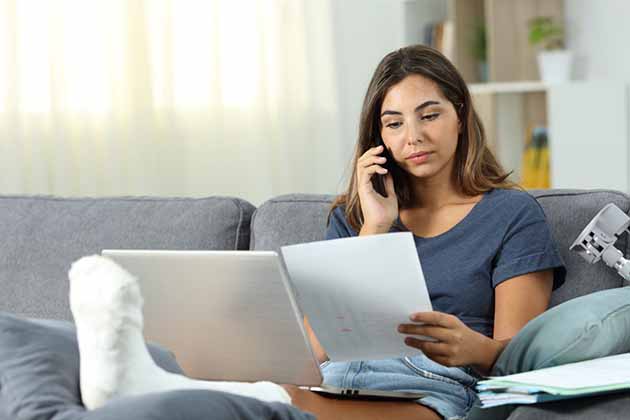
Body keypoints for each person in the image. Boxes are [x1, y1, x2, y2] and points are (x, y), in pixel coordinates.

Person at [281, 44, 566, 420]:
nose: (412, 137)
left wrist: (474, 347)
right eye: (394, 124)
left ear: (460, 115)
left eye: (428, 115)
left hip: (435, 388)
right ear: (378, 137)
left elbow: (521, 359)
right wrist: (375, 227)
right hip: (339, 380)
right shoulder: (354, 218)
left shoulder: (512, 215)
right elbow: (313, 350)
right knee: (259, 398)